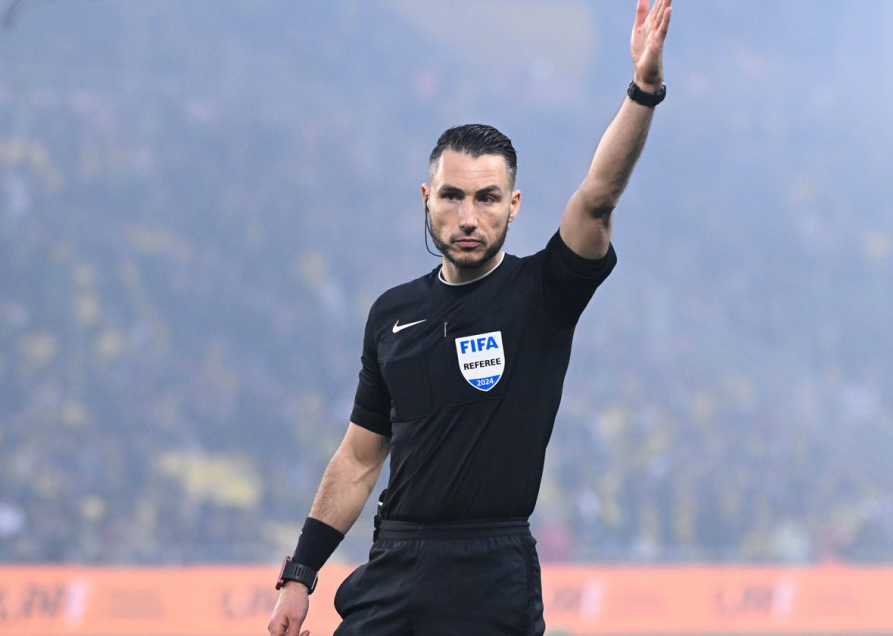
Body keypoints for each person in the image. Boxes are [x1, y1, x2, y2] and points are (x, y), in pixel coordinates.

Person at [267, 1, 672, 634]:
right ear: (428, 200)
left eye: (486, 199)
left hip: (492, 569)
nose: (467, 216)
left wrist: (643, 89)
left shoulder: (543, 292)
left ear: (512, 207)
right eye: (453, 196)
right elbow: (359, 458)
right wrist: (301, 573)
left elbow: (597, 198)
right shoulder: (392, 313)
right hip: (395, 563)